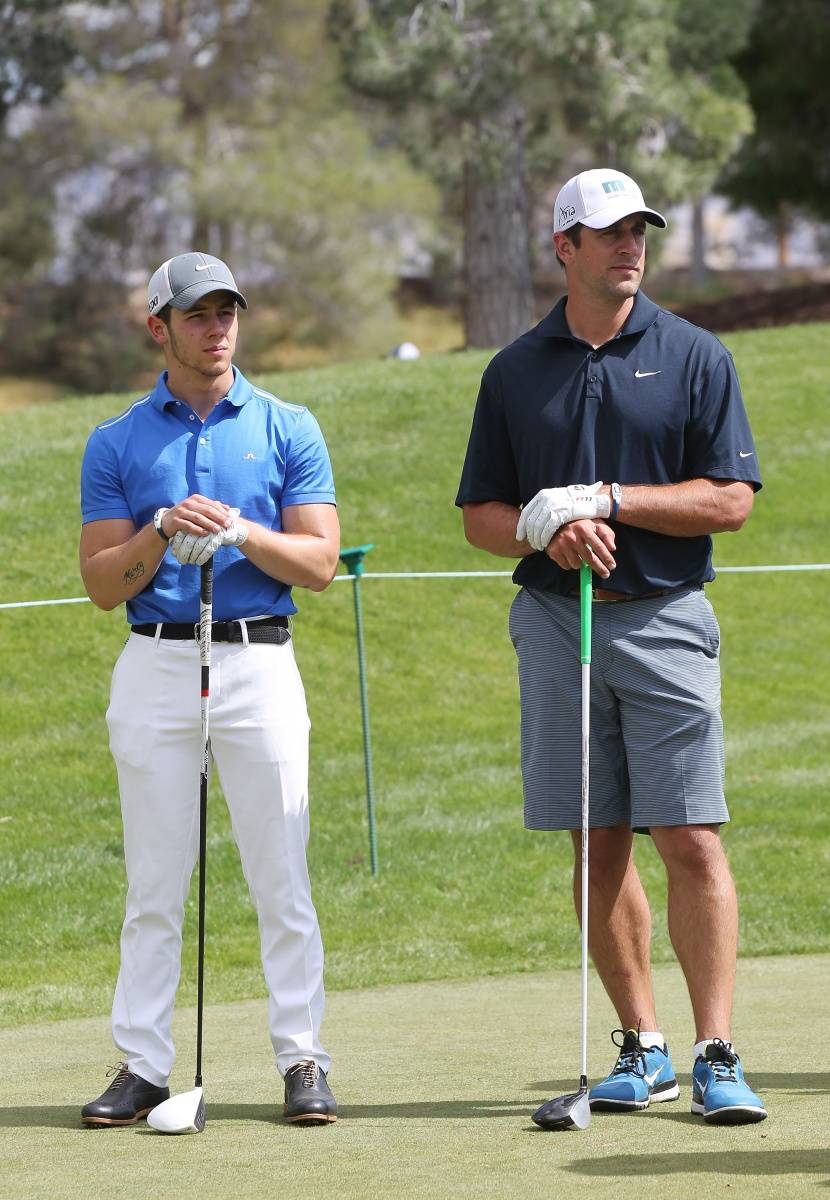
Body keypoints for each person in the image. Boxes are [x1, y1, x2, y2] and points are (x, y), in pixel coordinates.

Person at [456, 169, 767, 1125]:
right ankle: (645, 1046)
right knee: (596, 842)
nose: (629, 246)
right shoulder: (514, 370)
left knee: (690, 837)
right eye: (608, 233)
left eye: (639, 230)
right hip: (557, 620)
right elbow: (479, 516)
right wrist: (544, 530)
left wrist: (607, 501)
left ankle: (716, 1052)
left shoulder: (694, 354)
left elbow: (731, 499)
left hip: (666, 616)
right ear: (565, 248)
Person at [79, 252, 340, 1127]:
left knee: (282, 875)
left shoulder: (286, 424)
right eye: (197, 314)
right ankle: (144, 1064)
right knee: (155, 882)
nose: (217, 326)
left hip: (258, 663)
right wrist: (160, 529)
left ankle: (302, 1059)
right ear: (160, 326)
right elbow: (103, 582)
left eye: (227, 310)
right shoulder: (116, 441)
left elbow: (320, 564)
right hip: (155, 662)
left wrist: (238, 533)